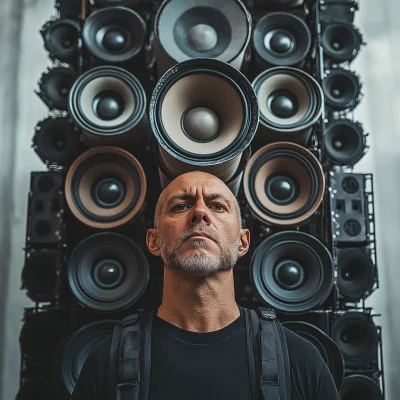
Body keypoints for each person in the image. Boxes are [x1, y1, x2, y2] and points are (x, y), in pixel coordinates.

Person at [71, 171, 339, 400]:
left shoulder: (299, 360)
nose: (200, 212)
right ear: (154, 241)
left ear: (243, 242)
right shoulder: (107, 361)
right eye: (180, 206)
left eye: (218, 206)